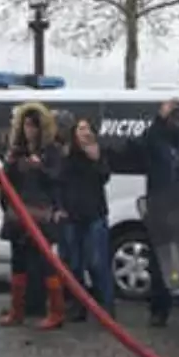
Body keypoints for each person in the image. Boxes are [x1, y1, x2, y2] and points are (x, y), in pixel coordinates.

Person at [0, 103, 65, 329]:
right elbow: (6, 181)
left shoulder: (52, 151)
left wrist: (40, 168)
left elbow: (57, 179)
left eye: (34, 126)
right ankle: (17, 310)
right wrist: (10, 163)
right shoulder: (17, 151)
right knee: (18, 262)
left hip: (41, 214)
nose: (29, 130)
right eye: (26, 125)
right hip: (18, 213)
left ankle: (56, 312)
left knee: (46, 263)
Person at [139, 99, 179, 326]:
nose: (177, 120)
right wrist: (160, 118)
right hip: (160, 207)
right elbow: (146, 142)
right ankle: (159, 310)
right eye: (173, 117)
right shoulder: (157, 139)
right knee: (161, 264)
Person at [60, 117, 114, 319]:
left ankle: (106, 307)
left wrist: (96, 159)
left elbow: (104, 176)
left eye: (86, 128)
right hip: (72, 216)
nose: (83, 132)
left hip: (94, 215)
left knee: (97, 263)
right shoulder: (67, 155)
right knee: (74, 265)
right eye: (79, 129)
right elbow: (60, 181)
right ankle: (78, 306)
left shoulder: (97, 153)